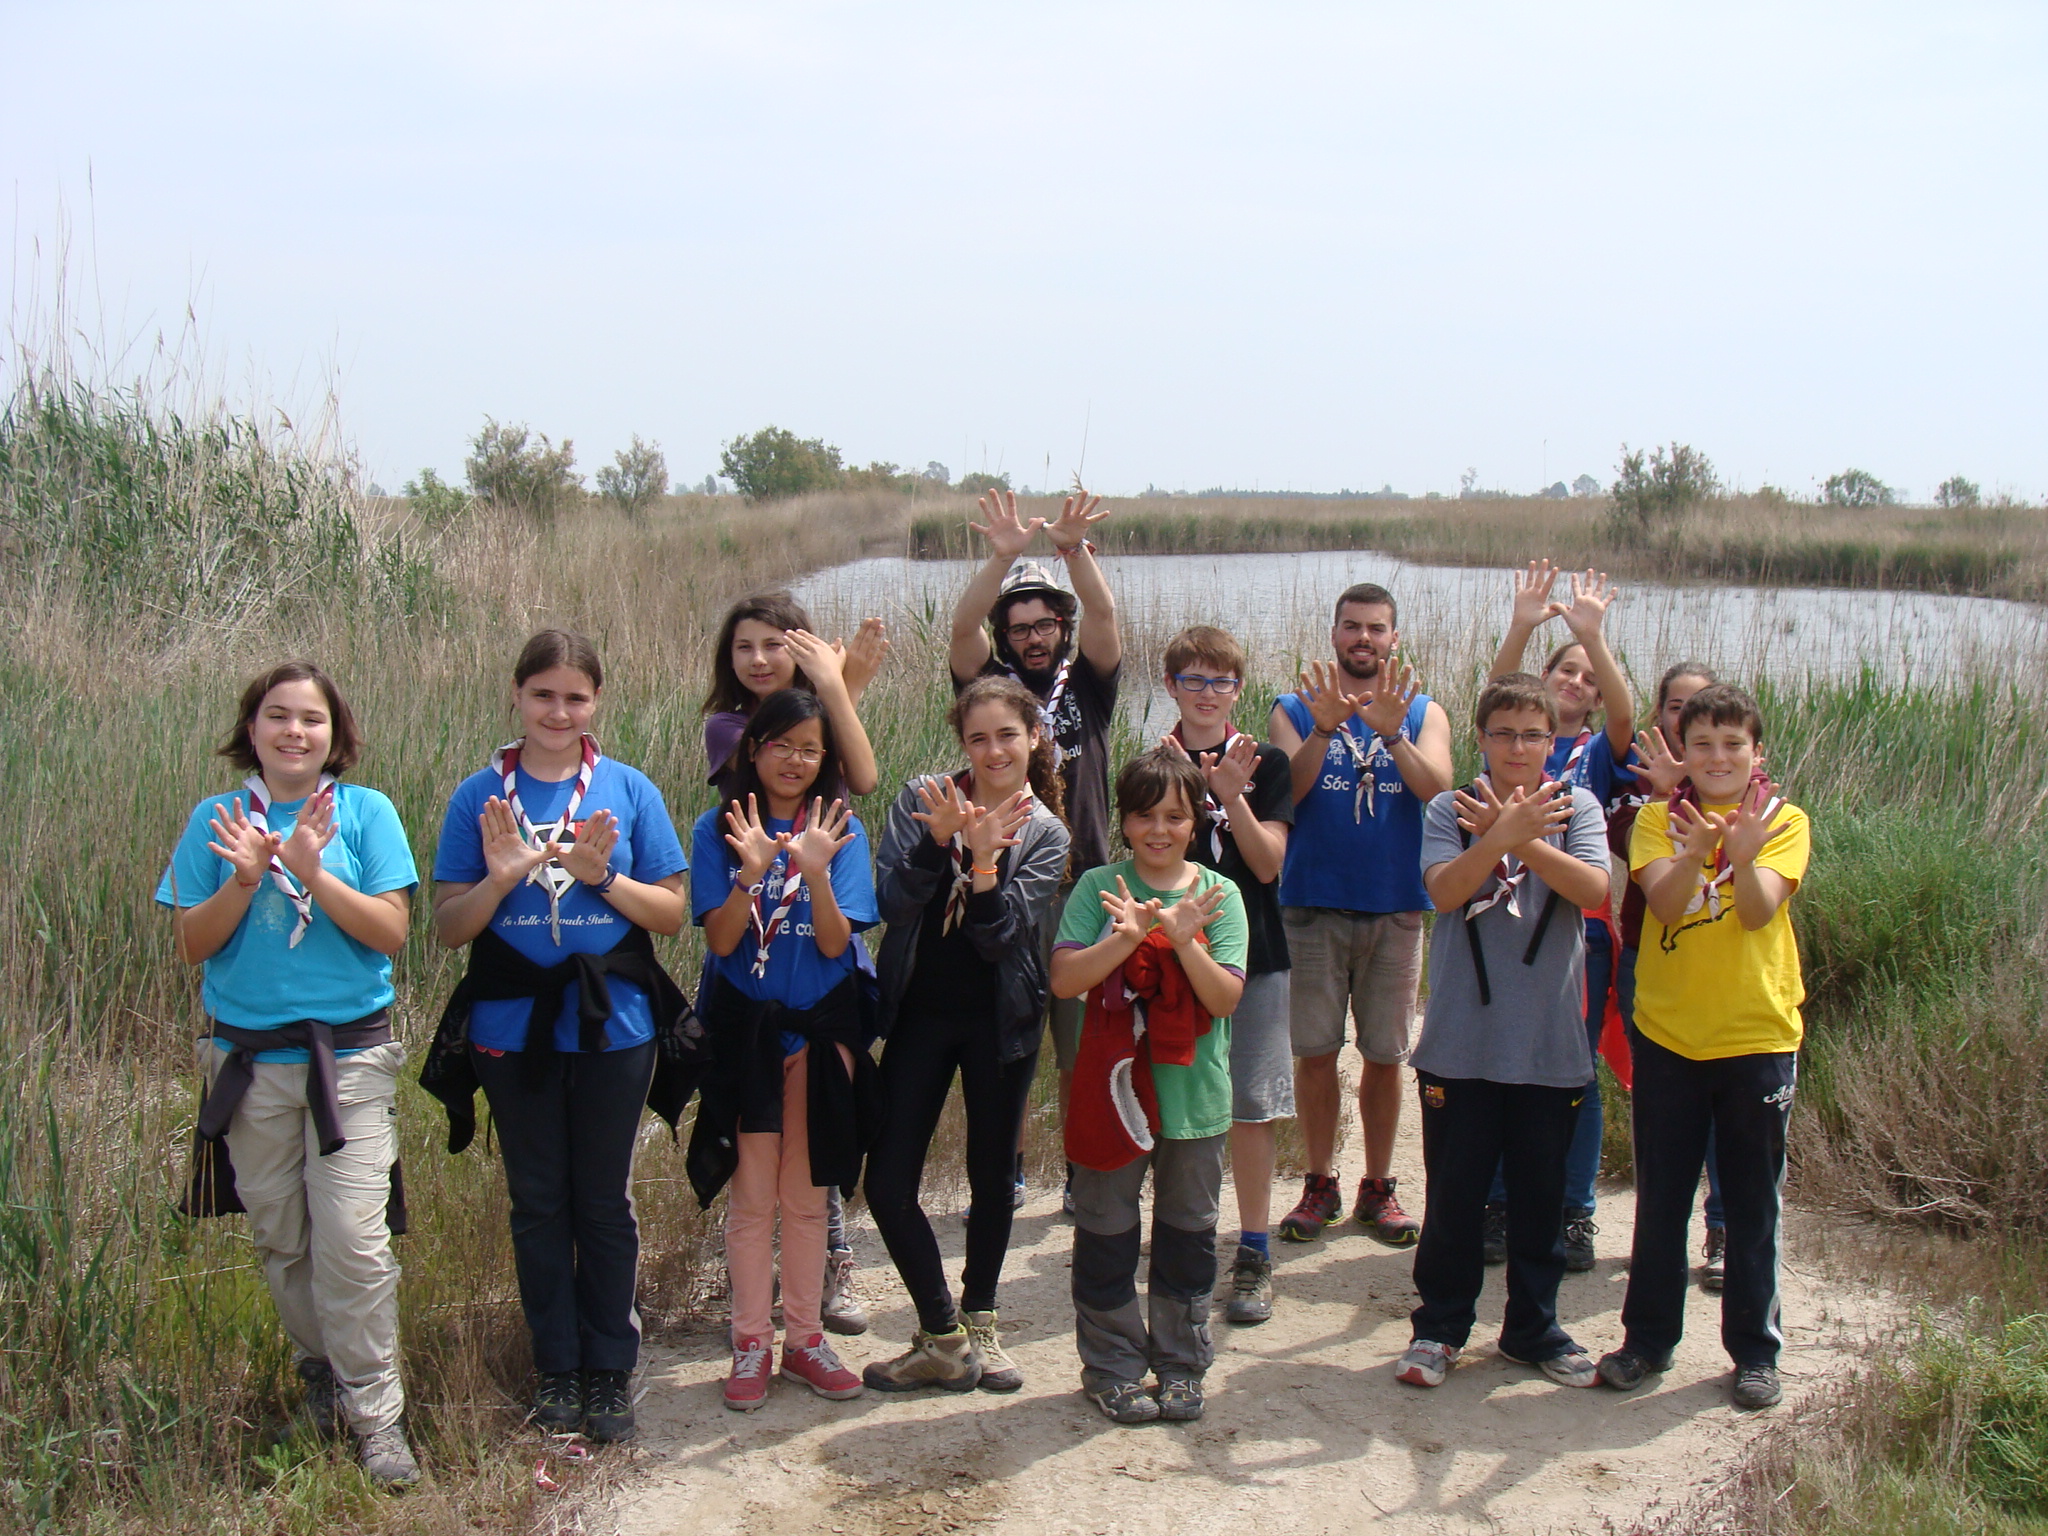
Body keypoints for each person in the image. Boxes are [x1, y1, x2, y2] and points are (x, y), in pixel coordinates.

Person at [158, 662, 422, 1486]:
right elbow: (192, 946)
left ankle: (378, 1416)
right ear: (252, 729)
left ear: (335, 734)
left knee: (353, 1241)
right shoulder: (217, 817)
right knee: (283, 1237)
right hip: (248, 1064)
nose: (294, 732)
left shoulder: (365, 813)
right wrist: (245, 878)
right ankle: (325, 1374)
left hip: (346, 1060)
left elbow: (391, 933)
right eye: (278, 716)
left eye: (312, 718)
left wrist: (312, 870)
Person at [427, 630, 690, 1446]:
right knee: (539, 1202)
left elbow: (673, 915)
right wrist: (503, 876)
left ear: (596, 703)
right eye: (543, 694)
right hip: (512, 1028)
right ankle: (557, 1367)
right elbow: (446, 928)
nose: (558, 710)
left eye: (575, 697)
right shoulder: (481, 797)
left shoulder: (628, 790)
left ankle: (610, 1367)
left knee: (603, 1203)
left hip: (616, 1026)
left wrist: (601, 876)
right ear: (517, 696)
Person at [1394, 674, 1611, 1391]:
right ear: (1481, 739)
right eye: (1503, 733)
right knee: (1454, 1195)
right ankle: (1440, 1327)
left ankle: (1532, 1327)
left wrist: (1524, 839)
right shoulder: (1446, 808)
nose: (1518, 748)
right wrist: (1493, 838)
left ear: (1555, 742)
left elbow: (1593, 891)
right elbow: (1445, 891)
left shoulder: (1576, 806)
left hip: (1549, 1043)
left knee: (1540, 1197)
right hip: (1461, 1041)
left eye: (1533, 735)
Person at [1598, 683, 1810, 1411]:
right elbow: (1661, 903)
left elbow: (1755, 912)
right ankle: (1646, 1343)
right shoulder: (1656, 819)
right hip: (1669, 1035)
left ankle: (1755, 1351)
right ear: (1682, 753)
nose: (1718, 758)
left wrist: (1743, 856)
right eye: (1703, 745)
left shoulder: (1786, 822)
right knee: (1662, 1199)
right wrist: (1696, 851)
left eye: (1733, 745)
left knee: (1752, 1204)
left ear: (1757, 753)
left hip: (1757, 1034)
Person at [861, 677, 1072, 1393]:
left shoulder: (1046, 831)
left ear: (1034, 738)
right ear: (962, 742)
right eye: (978, 738)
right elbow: (889, 901)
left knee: (992, 1179)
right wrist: (937, 841)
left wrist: (982, 863)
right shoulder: (922, 798)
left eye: (1008, 735)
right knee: (885, 1180)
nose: (993, 751)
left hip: (1001, 1019)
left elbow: (1000, 936)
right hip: (919, 1012)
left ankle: (981, 1321)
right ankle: (941, 1332)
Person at [687, 689, 881, 1412]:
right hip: (747, 1041)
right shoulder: (718, 828)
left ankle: (804, 1340)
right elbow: (721, 939)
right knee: (751, 1199)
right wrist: (752, 870)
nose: (795, 760)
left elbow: (836, 942)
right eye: (781, 745)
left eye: (810, 748)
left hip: (819, 1035)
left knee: (807, 1198)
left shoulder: (842, 831)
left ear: (824, 759)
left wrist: (817, 870)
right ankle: (748, 1343)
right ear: (753, 750)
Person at [1052, 749, 1248, 1425]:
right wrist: (1125, 937)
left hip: (1194, 1098)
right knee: (1106, 1230)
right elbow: (1066, 981)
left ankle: (1181, 1365)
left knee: (1188, 1234)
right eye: (1144, 815)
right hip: (1113, 1097)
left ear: (1196, 822)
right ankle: (1110, 1367)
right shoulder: (1099, 887)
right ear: (1123, 820)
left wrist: (1184, 942)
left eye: (1175, 815)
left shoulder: (1220, 895)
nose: (1158, 829)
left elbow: (1223, 1001)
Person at [949, 488, 1122, 1211]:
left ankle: (1087, 1172)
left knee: (1083, 1048)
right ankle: (1007, 1170)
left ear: (1060, 626)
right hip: (1008, 887)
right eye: (1018, 627)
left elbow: (1107, 618)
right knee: (1006, 1040)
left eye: (1045, 623)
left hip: (1084, 889)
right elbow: (959, 629)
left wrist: (1073, 552)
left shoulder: (1088, 683)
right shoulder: (993, 692)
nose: (1033, 636)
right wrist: (1001, 559)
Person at [1269, 583, 1453, 1245]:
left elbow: (1440, 795)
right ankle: (1320, 1181)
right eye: (1352, 627)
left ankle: (1379, 1187)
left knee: (1385, 1053)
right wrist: (1323, 728)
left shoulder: (1423, 711)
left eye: (1376, 628)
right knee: (1316, 1052)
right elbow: (1285, 790)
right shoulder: (1294, 707)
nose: (1363, 639)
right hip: (1311, 905)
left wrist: (1393, 736)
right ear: (1335, 634)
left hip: (1397, 906)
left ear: (1393, 639)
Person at [1480, 562, 1635, 1271]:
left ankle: (1575, 1211)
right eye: (1565, 671)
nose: (1577, 683)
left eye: (1590, 681)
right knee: (1504, 1066)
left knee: (1574, 1071)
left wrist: (1592, 637)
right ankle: (1500, 1204)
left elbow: (1630, 717)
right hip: (1502, 920)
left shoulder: (1597, 755)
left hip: (1581, 929)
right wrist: (1521, 623)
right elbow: (1495, 696)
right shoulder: (1519, 736)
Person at [1156, 626, 1295, 1325]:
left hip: (1258, 955)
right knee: (1180, 1103)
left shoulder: (1266, 761)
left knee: (1250, 1107)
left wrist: (1230, 796)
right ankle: (1184, 1240)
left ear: (1238, 690)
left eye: (1221, 683)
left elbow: (1267, 864)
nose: (1207, 695)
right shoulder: (1156, 760)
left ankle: (1255, 1249)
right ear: (1171, 685)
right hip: (1176, 956)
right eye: (1193, 681)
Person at [1618, 662, 1729, 1290]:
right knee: (1660, 1105)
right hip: (1648, 952)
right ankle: (1658, 1233)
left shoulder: (1753, 798)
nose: (1686, 719)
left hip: (1725, 978)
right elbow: (1628, 847)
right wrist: (1664, 795)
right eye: (1675, 707)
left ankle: (1721, 1229)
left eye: (1700, 708)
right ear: (1659, 716)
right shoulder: (1643, 785)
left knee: (1724, 1107)